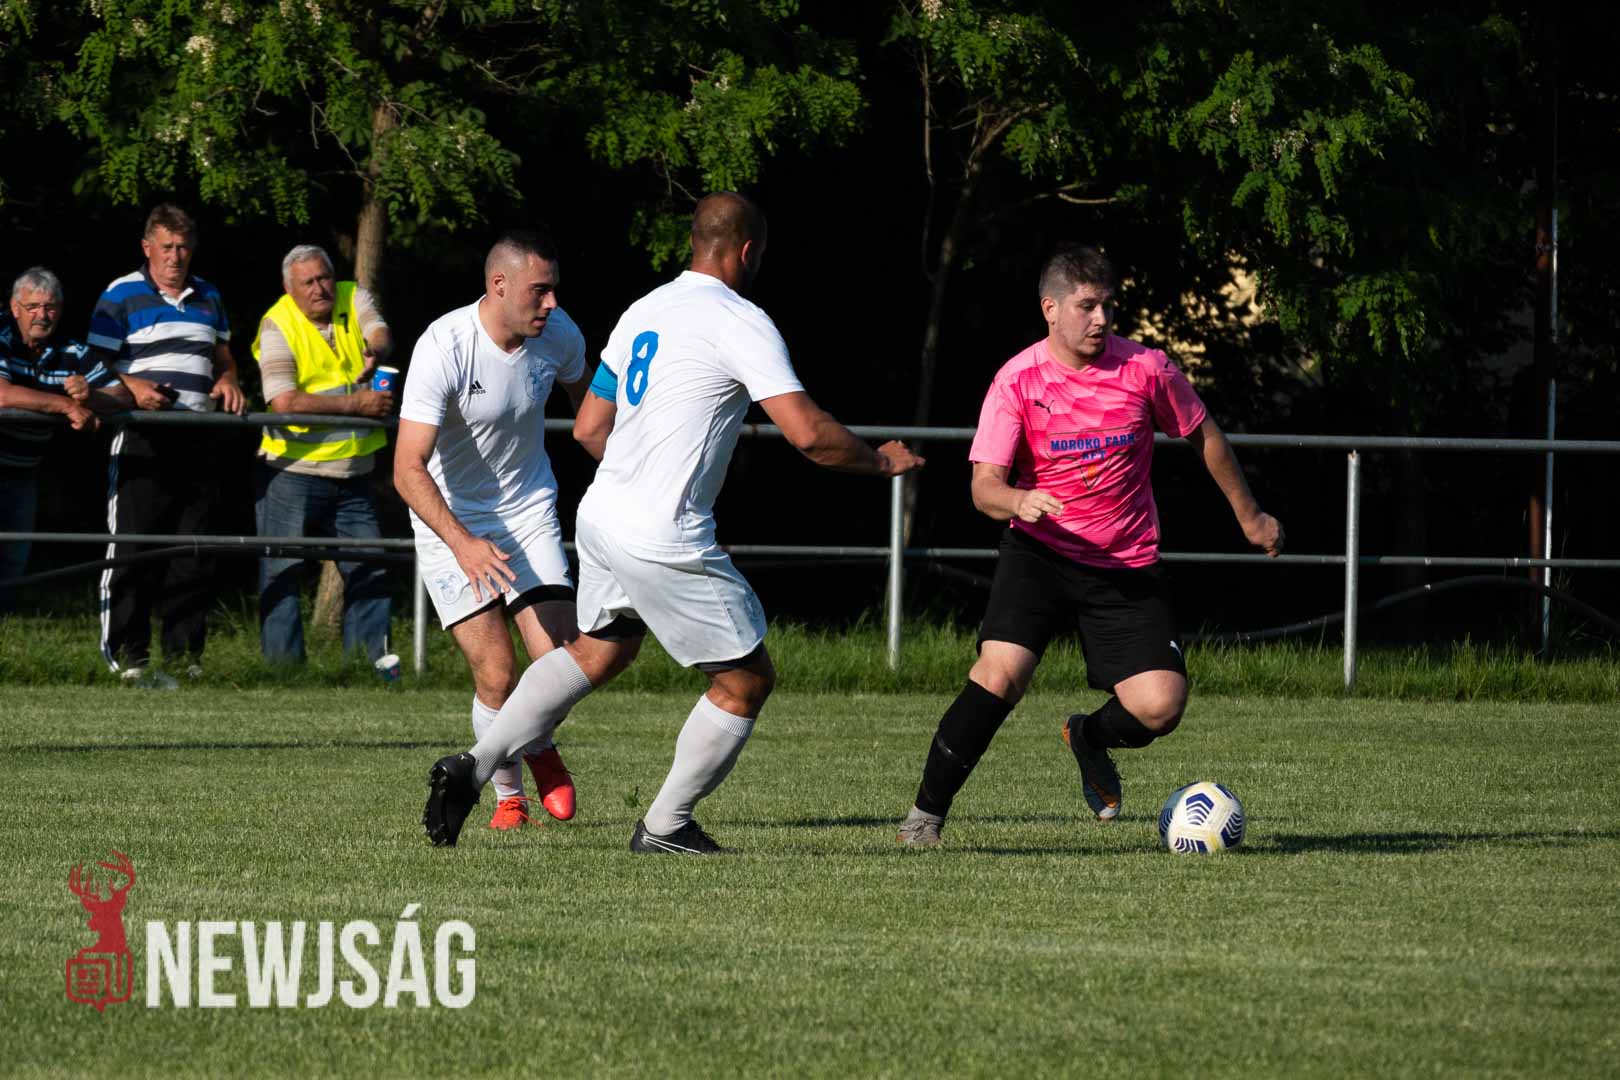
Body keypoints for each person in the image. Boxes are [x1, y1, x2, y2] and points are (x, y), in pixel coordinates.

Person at [421, 191, 926, 853]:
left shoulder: (645, 309)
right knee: (746, 680)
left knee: (598, 651)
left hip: (601, 514)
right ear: (749, 251)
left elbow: (590, 427)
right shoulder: (741, 320)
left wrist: (641, 478)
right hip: (660, 530)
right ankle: (665, 825)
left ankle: (475, 764)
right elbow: (807, 433)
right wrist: (880, 462)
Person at [894, 243, 1284, 848]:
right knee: (999, 675)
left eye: (1108, 305)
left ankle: (1087, 736)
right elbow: (983, 488)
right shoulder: (1016, 380)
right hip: (1039, 554)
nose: (1101, 318)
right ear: (1050, 309)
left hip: (1125, 563)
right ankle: (924, 819)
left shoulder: (1147, 369)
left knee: (1160, 707)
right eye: (1086, 306)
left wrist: (1250, 515)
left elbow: (1202, 433)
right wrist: (1018, 500)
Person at [395, 229, 591, 830]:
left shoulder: (559, 334)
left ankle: (536, 742)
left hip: (528, 511)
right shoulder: (445, 345)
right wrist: (463, 543)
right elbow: (406, 469)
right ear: (498, 284)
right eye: (540, 290)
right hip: (451, 519)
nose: (551, 303)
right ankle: (511, 794)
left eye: (554, 290)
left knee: (562, 660)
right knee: (498, 673)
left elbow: (594, 416)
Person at [88, 203, 247, 687]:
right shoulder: (120, 294)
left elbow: (223, 356)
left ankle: (184, 658)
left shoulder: (209, 295)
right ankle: (127, 657)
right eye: (166, 247)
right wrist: (133, 386)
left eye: (182, 247)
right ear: (147, 248)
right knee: (133, 548)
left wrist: (229, 380)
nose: (175, 256)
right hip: (143, 435)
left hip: (198, 434)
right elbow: (92, 364)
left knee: (192, 550)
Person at [250, 244, 396, 666]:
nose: (320, 288)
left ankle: (368, 670)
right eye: (308, 282)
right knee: (282, 571)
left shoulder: (353, 295)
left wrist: (377, 351)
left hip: (354, 472)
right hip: (292, 471)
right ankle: (282, 674)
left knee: (369, 568)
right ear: (289, 288)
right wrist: (357, 405)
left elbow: (379, 329)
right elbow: (283, 402)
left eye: (324, 277)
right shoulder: (276, 323)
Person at [0, 268, 131, 613]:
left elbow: (121, 395)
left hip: (24, 469)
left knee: (14, 556)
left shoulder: (71, 350)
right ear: (14, 308)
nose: (42, 315)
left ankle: (6, 631)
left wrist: (90, 396)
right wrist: (66, 405)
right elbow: (1, 395)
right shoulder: (1, 336)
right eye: (32, 307)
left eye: (50, 307)